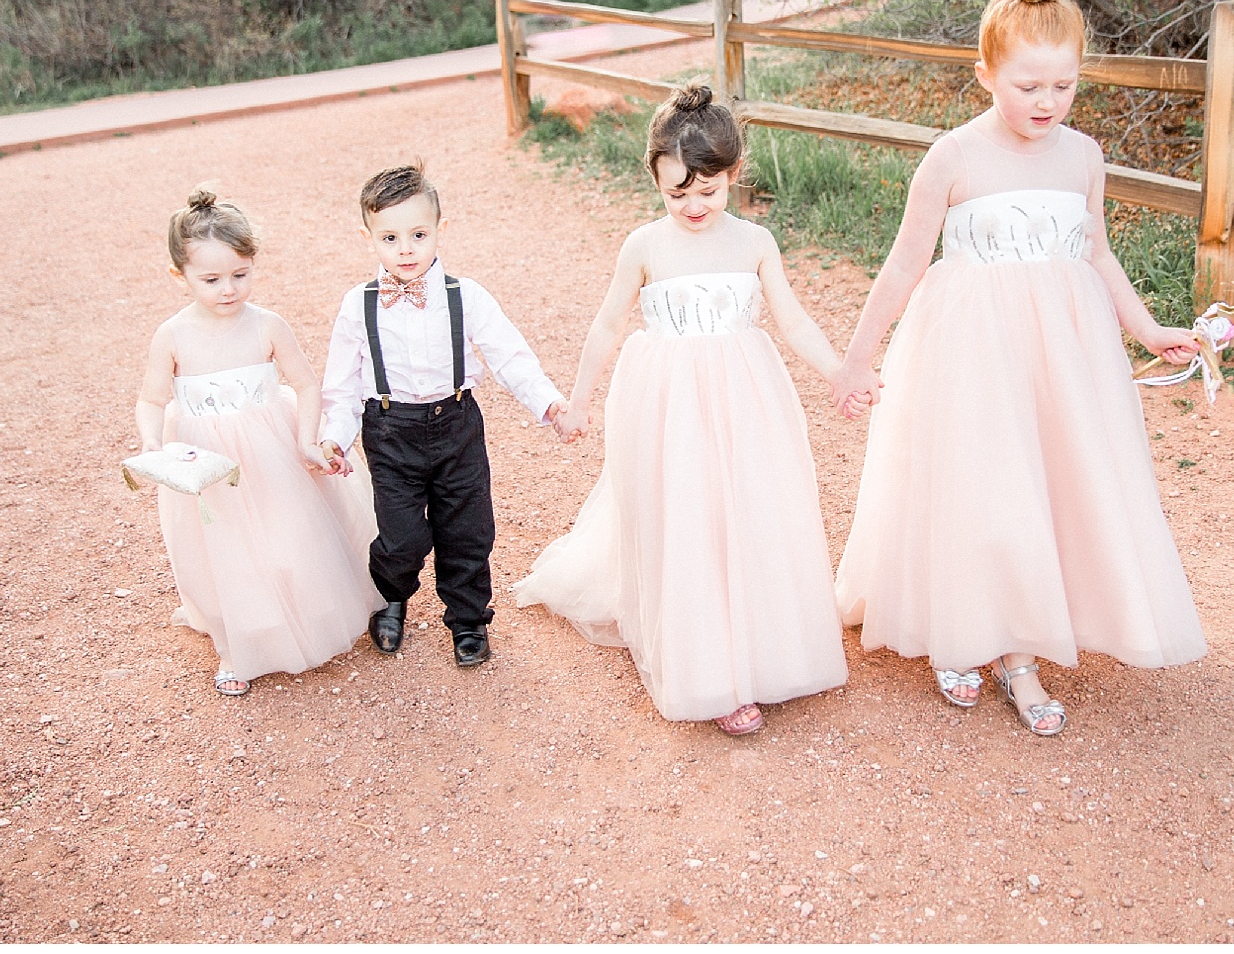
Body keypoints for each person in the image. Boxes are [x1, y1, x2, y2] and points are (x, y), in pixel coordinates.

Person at [828, 0, 1209, 735]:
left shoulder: (1083, 157)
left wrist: (1148, 329)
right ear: (986, 75)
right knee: (982, 484)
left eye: (1064, 85)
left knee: (1049, 480)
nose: (1047, 102)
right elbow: (903, 266)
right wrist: (858, 356)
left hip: (1064, 356)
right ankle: (974, 635)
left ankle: (1022, 643)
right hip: (971, 349)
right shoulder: (954, 157)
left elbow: (1097, 253)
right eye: (1028, 85)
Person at [516, 84, 857, 736]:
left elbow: (793, 319)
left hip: (745, 397)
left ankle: (767, 645)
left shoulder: (754, 241)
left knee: (750, 511)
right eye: (678, 193)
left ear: (733, 174)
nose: (694, 205)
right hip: (668, 404)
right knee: (691, 517)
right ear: (655, 177)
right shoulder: (645, 246)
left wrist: (839, 369)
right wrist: (580, 396)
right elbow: (606, 325)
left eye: (709, 190)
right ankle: (712, 670)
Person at [135, 186, 384, 698]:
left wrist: (307, 438)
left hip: (272, 448)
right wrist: (150, 443)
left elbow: (307, 383)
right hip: (208, 460)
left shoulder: (267, 324)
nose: (228, 289)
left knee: (291, 535)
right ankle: (236, 644)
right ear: (178, 275)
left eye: (240, 274)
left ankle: (314, 612)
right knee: (221, 551)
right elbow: (152, 399)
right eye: (211, 279)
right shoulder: (173, 335)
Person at [319, 163, 566, 668]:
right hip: (389, 431)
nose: (405, 249)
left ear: (440, 231)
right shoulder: (358, 306)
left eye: (417, 234)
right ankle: (390, 594)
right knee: (402, 535)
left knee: (468, 528)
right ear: (367, 238)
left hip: (456, 424)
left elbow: (509, 356)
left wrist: (548, 402)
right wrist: (335, 439)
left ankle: (469, 619)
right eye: (389, 237)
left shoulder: (466, 296)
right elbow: (341, 386)